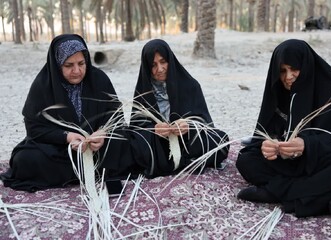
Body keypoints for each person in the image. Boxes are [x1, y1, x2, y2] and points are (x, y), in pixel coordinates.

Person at [236, 39, 331, 217]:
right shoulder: (278, 90)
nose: (288, 77)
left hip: (325, 160)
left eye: (294, 69)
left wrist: (307, 145)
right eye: (282, 71)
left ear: (307, 65)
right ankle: (321, 198)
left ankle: (275, 192)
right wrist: (269, 146)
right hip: (289, 163)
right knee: (246, 160)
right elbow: (265, 132)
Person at [0, 34, 135, 192]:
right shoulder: (43, 86)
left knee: (128, 144)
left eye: (81, 63)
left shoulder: (99, 79)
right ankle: (87, 171)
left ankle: (80, 171)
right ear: (57, 65)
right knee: (24, 160)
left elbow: (117, 117)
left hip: (96, 148)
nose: (77, 71)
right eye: (68, 65)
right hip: (61, 151)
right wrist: (66, 137)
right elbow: (34, 129)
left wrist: (103, 133)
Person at [129, 39, 229, 178]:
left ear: (170, 60)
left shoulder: (190, 85)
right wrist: (154, 129)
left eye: (163, 62)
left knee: (221, 140)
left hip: (187, 144)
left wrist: (188, 126)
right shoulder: (143, 91)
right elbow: (136, 128)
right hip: (159, 147)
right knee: (127, 146)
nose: (160, 69)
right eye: (153, 65)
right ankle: (184, 164)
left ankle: (175, 163)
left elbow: (204, 122)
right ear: (146, 68)